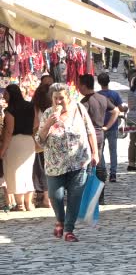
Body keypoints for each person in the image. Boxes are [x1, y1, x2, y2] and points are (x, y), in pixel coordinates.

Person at [35, 83, 99, 242]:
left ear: (68, 98)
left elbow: (90, 131)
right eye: (55, 98)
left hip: (78, 162)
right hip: (55, 164)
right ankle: (60, 220)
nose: (58, 102)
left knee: (75, 197)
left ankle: (69, 229)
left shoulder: (79, 109)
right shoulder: (48, 114)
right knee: (55, 196)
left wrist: (95, 153)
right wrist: (49, 123)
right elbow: (39, 140)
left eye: (61, 98)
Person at [77, 74, 119, 204]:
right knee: (99, 164)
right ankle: (99, 195)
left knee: (88, 166)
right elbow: (116, 111)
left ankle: (91, 195)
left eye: (79, 85)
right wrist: (107, 126)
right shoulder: (102, 98)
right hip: (100, 133)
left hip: (88, 136)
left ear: (83, 86)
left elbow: (80, 120)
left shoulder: (84, 102)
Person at [0, 85, 36, 212]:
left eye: (6, 93)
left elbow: (9, 131)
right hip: (28, 141)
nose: (4, 96)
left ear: (11, 94)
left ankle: (20, 204)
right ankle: (29, 203)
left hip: (15, 142)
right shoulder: (30, 106)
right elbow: (36, 124)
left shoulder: (11, 110)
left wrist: (2, 150)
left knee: (16, 173)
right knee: (27, 173)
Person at [32, 75, 55, 208]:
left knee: (40, 169)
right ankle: (47, 197)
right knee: (50, 169)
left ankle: (44, 197)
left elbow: (35, 123)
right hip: (52, 141)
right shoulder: (54, 105)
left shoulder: (35, 105)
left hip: (39, 141)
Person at [97, 73, 125, 183]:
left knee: (100, 151)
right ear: (108, 81)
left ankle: (102, 169)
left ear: (99, 82)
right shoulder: (115, 95)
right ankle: (113, 173)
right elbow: (121, 108)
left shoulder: (97, 95)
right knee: (113, 150)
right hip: (113, 126)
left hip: (101, 126)